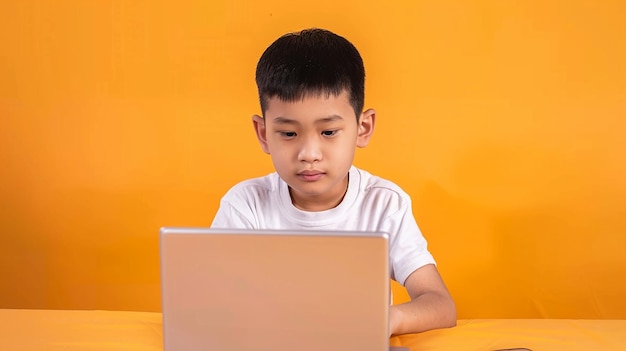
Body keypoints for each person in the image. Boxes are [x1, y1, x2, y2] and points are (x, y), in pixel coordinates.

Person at [211, 28, 456, 336]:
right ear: (263, 134)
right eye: (288, 133)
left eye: (328, 132)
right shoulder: (245, 206)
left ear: (362, 128)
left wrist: (388, 320)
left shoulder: (383, 204)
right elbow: (213, 306)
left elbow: (440, 304)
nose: (309, 154)